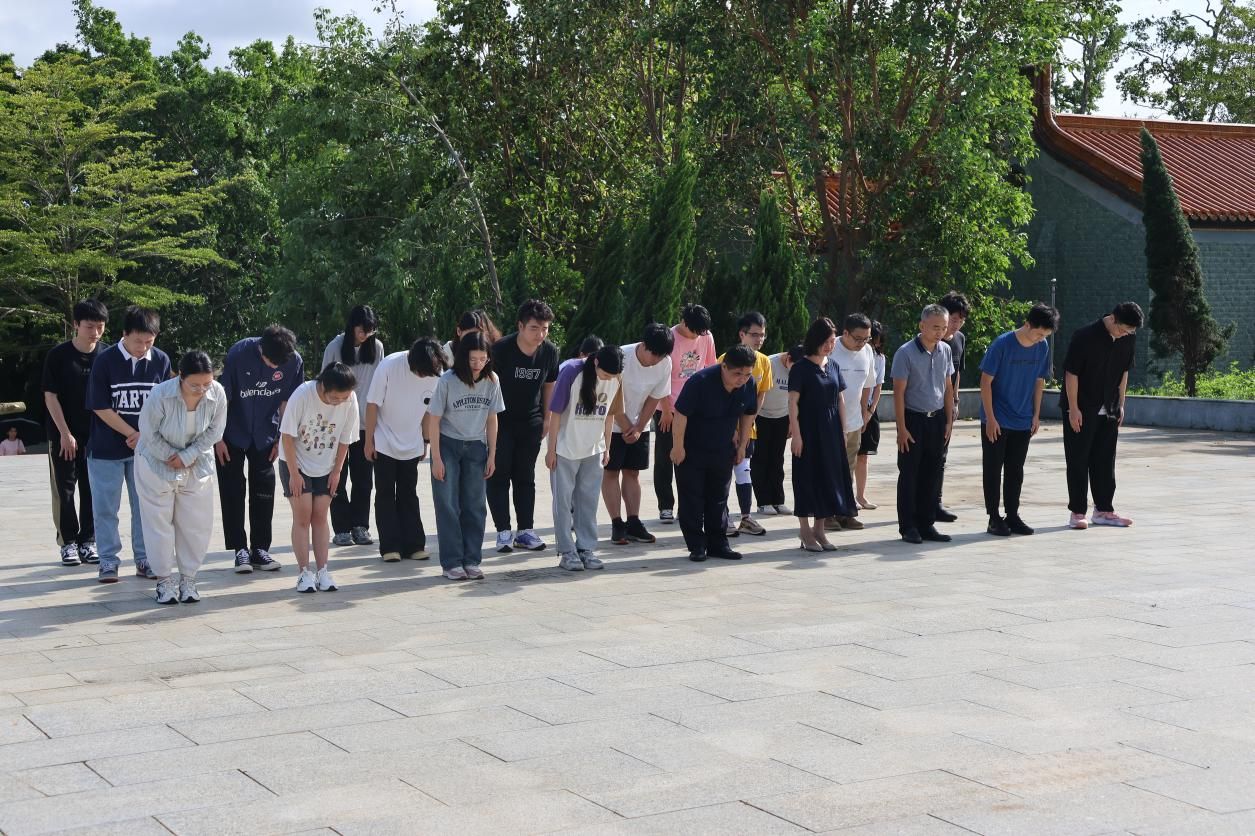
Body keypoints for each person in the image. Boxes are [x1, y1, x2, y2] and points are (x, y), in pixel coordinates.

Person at [85, 306, 172, 583]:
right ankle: (108, 561)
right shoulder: (105, 360)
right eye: (138, 341)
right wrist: (133, 433)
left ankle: (144, 559)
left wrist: (146, 436)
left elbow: (166, 405)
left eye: (149, 341)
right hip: (105, 450)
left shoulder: (161, 360)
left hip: (145, 451)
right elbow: (100, 405)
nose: (143, 348)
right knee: (105, 508)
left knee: (144, 507)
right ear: (124, 334)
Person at [135, 351, 227, 605]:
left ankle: (189, 579)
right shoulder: (160, 394)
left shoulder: (218, 393)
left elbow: (216, 431)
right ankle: (164, 581)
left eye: (207, 383)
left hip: (196, 463)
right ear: (180, 377)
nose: (201, 390)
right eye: (194, 385)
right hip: (155, 462)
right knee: (158, 523)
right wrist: (171, 456)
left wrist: (188, 455)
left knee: (196, 523)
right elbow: (148, 432)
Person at [216, 324, 303, 574]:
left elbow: (289, 402)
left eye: (279, 365)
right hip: (232, 432)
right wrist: (217, 438)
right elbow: (222, 399)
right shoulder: (239, 353)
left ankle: (261, 548)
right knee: (232, 490)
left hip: (267, 433)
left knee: (264, 490)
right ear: (261, 348)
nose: (275, 368)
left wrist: (280, 438)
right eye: (270, 362)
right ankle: (239, 549)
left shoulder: (294, 361)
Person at [426, 332, 504, 580]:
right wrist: (436, 458)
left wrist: (492, 454)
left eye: (483, 358)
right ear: (463, 358)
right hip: (448, 445)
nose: (478, 364)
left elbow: (492, 418)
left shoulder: (492, 380)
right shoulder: (447, 381)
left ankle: (471, 560)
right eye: (473, 359)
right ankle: (451, 563)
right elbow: (434, 420)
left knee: (475, 506)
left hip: (477, 446)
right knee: (448, 505)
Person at [671, 345, 758, 562]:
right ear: (724, 366)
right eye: (737, 374)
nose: (742, 379)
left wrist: (742, 446)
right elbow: (680, 414)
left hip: (722, 449)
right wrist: (678, 447)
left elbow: (748, 415)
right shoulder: (700, 382)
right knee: (692, 499)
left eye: (747, 374)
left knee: (719, 498)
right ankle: (696, 545)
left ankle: (718, 544)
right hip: (692, 450)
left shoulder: (748, 385)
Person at [278, 362, 360, 594]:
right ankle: (304, 572)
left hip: (327, 464)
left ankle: (323, 570)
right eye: (335, 398)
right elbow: (287, 436)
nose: (339, 402)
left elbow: (345, 438)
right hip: (296, 462)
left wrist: (337, 472)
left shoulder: (350, 399)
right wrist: (294, 474)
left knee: (321, 516)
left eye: (344, 397)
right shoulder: (303, 394)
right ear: (323, 386)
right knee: (303, 516)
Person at [1061, 301, 1143, 530]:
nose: (1125, 335)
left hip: (1110, 408)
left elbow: (1124, 372)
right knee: (1078, 460)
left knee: (1105, 460)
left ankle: (1104, 510)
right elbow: (1071, 373)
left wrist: (1121, 404)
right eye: (1123, 330)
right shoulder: (1084, 336)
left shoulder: (1128, 338)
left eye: (1130, 332)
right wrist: (1073, 408)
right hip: (1081, 408)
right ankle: (1077, 512)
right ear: (1113, 319)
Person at [979, 304, 1059, 537]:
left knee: (1015, 470)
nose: (1040, 339)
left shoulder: (1042, 347)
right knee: (993, 469)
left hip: (1023, 419)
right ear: (1027, 325)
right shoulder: (1002, 344)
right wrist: (990, 418)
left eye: (1045, 335)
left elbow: (1039, 381)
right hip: (997, 418)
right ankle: (994, 518)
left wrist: (1035, 414)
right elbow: (985, 382)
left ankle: (1012, 515)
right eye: (1039, 334)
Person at [365, 337, 447, 562]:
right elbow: (372, 404)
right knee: (385, 493)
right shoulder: (389, 365)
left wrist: (425, 440)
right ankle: (389, 546)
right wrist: (369, 440)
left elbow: (429, 410)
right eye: (420, 372)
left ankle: (414, 544)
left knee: (408, 492)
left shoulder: (435, 372)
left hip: (412, 440)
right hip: (383, 438)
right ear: (411, 360)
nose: (423, 376)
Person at [488, 299, 559, 553]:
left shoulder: (550, 352)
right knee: (499, 475)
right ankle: (503, 532)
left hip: (531, 422)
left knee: (525, 476)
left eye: (545, 329)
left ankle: (525, 531)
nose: (540, 335)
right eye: (534, 328)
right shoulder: (501, 349)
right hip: (501, 421)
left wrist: (547, 417)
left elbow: (549, 384)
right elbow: (488, 385)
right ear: (520, 326)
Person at [547, 345, 625, 571]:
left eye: (612, 376)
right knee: (563, 503)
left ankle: (586, 548)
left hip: (594, 449)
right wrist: (551, 450)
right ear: (596, 362)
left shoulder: (616, 378)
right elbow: (555, 413)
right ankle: (567, 551)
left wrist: (607, 447)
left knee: (588, 502)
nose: (608, 378)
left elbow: (610, 415)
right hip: (566, 449)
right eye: (605, 374)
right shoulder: (571, 371)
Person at [42, 299, 107, 566]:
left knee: (93, 490)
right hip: (63, 435)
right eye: (90, 326)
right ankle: (67, 542)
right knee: (64, 490)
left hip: (97, 436)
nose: (95, 332)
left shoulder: (107, 355)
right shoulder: (58, 355)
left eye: (100, 327)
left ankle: (88, 541)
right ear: (76, 325)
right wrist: (65, 433)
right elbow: (50, 396)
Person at [790, 318, 858, 552]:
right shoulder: (800, 368)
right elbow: (793, 403)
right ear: (815, 340)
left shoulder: (834, 366)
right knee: (806, 478)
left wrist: (843, 429)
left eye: (832, 342)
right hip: (808, 430)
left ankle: (820, 529)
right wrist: (796, 435)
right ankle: (804, 530)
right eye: (826, 342)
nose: (830, 346)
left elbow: (840, 399)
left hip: (831, 430)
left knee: (828, 478)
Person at [603, 324, 673, 546]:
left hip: (638, 425)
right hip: (612, 424)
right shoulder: (621, 357)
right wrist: (626, 427)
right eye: (654, 354)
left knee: (632, 473)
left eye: (662, 356)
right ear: (643, 345)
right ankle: (617, 524)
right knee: (611, 472)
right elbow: (609, 396)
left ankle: (633, 522)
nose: (656, 360)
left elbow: (655, 397)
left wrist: (640, 425)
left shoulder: (665, 363)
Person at [892, 304, 956, 545]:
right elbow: (898, 393)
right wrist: (901, 428)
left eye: (944, 327)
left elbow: (948, 387)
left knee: (932, 473)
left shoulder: (945, 350)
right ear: (922, 325)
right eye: (935, 327)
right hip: (913, 420)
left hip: (936, 419)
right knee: (910, 474)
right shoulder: (905, 353)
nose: (940, 332)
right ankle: (908, 526)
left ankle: (926, 524)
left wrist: (948, 421)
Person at [324, 305, 385, 547]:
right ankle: (341, 528)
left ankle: (360, 526)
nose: (365, 335)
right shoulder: (335, 347)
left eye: (370, 331)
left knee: (363, 478)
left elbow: (380, 386)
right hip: (337, 423)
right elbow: (324, 383)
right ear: (352, 326)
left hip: (364, 423)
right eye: (362, 330)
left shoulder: (377, 348)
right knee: (337, 476)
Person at [654, 303, 717, 526]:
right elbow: (660, 377)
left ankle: (688, 506)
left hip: (694, 408)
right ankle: (665, 506)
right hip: (668, 407)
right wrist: (665, 410)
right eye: (694, 331)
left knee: (690, 459)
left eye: (701, 332)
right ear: (683, 322)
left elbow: (710, 368)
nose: (697, 336)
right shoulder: (669, 338)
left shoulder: (706, 336)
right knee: (665, 457)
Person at [720, 312, 773, 537]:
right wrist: (731, 429)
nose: (759, 339)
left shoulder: (764, 362)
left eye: (762, 335)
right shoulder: (726, 359)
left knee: (744, 471)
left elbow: (760, 395)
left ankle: (745, 517)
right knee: (723, 473)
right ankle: (723, 518)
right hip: (724, 429)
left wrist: (747, 424)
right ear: (742, 334)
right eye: (754, 334)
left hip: (748, 429)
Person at [826, 313, 878, 532]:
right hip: (830, 421)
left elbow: (868, 384)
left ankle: (845, 513)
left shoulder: (867, 351)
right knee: (829, 469)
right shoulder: (830, 349)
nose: (862, 343)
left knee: (848, 470)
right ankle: (826, 514)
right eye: (858, 338)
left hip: (854, 421)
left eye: (866, 338)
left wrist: (865, 412)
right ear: (845, 333)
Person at [934, 291, 969, 522]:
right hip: (925, 407)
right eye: (954, 319)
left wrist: (955, 401)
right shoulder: (930, 340)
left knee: (941, 456)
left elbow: (956, 374)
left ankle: (935, 502)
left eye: (961, 320)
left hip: (947, 407)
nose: (956, 325)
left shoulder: (959, 340)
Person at [753, 346, 800, 516]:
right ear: (788, 358)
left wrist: (792, 422)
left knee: (777, 459)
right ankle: (763, 502)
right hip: (762, 416)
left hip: (782, 417)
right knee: (761, 459)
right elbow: (758, 392)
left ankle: (778, 500)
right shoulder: (770, 363)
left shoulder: (801, 368)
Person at [855, 321, 887, 510]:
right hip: (850, 408)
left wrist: (870, 411)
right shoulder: (853, 355)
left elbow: (878, 386)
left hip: (868, 410)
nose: (872, 344)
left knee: (863, 456)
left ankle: (860, 495)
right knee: (847, 455)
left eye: (875, 340)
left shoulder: (880, 358)